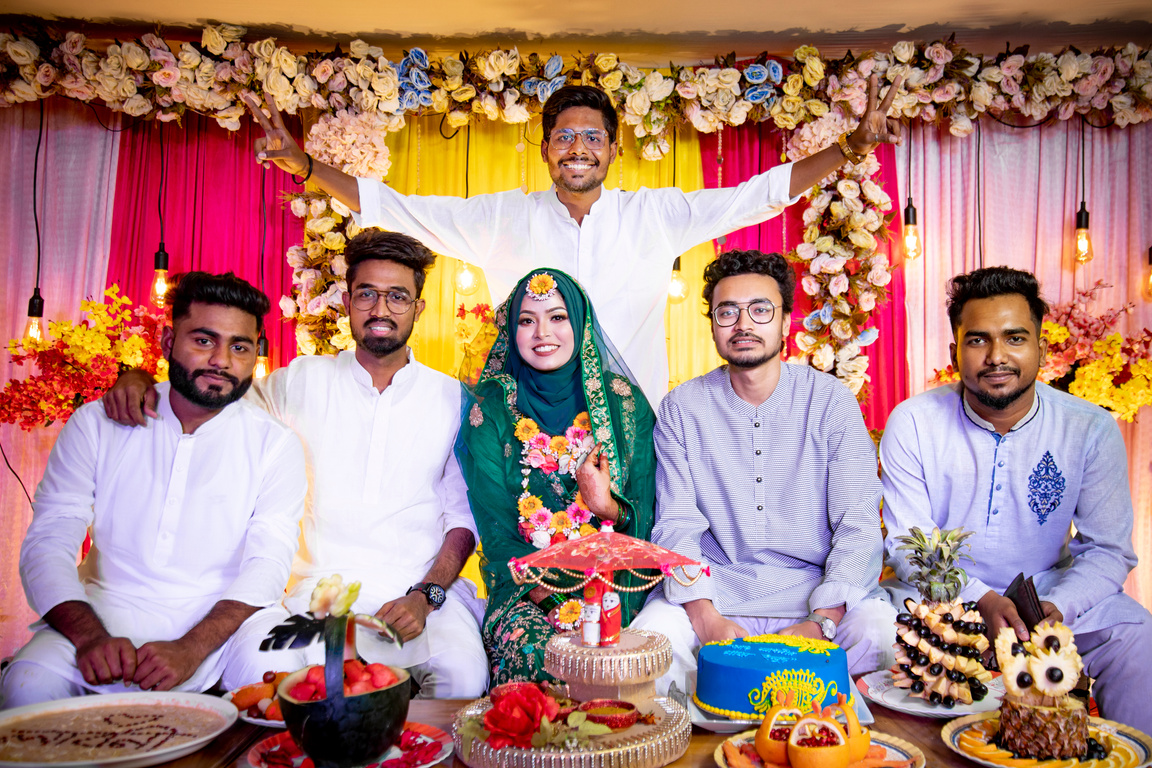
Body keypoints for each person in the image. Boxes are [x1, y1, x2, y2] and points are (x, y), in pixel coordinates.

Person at [242, 77, 904, 406]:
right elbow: (399, 209)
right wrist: (306, 167)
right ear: (546, 149)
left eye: (592, 137)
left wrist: (851, 148)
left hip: (635, 425)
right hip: (533, 424)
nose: (578, 148)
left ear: (613, 149)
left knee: (632, 590)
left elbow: (762, 192)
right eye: (564, 136)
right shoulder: (504, 217)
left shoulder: (657, 214)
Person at [102, 232, 487, 698]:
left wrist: (426, 596)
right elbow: (215, 407)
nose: (380, 310)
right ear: (347, 300)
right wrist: (143, 377)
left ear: (419, 308)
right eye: (367, 293)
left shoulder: (452, 399)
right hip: (312, 595)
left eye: (398, 296)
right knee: (264, 681)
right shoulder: (299, 381)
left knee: (463, 679)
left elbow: (460, 519)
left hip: (415, 596)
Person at [1, 273, 306, 708]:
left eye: (239, 347)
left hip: (224, 628)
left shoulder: (274, 443)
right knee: (26, 687)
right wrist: (90, 638)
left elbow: (268, 563)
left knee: (288, 687)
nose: (221, 360)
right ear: (167, 342)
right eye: (204, 340)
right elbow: (48, 541)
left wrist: (191, 647)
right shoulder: (97, 423)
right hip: (104, 615)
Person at [880, 266, 1151, 732]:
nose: (996, 356)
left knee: (1135, 634)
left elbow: (1108, 549)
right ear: (955, 351)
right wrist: (978, 597)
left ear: (1042, 348)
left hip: (1048, 596)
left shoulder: (1088, 427)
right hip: (939, 600)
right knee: (873, 635)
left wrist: (1060, 606)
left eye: (1015, 338)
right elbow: (910, 543)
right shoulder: (915, 422)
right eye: (979, 340)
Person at [630, 250, 895, 694]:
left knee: (882, 635)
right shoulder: (682, 409)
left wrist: (822, 622)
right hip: (715, 597)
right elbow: (675, 526)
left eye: (760, 310)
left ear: (785, 321)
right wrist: (706, 617)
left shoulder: (831, 403)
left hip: (816, 599)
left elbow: (859, 525)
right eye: (727, 312)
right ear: (712, 324)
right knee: (647, 648)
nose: (743, 324)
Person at [455, 268, 656, 684]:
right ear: (512, 331)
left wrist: (607, 507)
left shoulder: (621, 403)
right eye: (527, 320)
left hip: (617, 582)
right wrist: (550, 602)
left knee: (616, 661)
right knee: (548, 662)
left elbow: (650, 511)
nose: (542, 332)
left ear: (580, 324)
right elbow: (494, 530)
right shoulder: (491, 410)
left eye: (558, 317)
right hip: (524, 592)